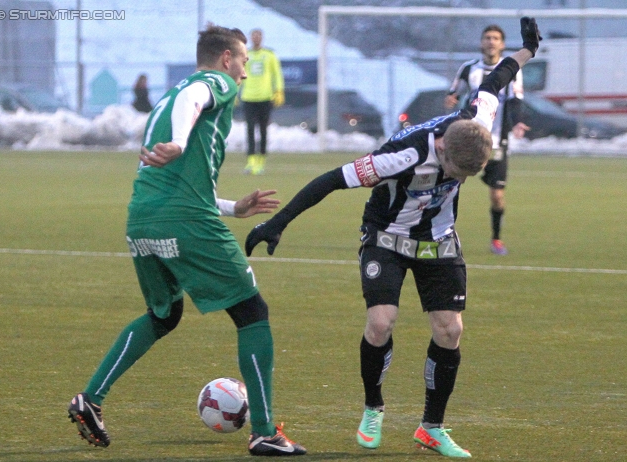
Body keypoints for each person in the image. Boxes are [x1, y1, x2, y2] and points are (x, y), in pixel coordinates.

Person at [245, 18, 541, 459]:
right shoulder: (399, 158)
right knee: (380, 322)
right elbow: (331, 179)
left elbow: (497, 80)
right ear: (442, 151)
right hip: (386, 236)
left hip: (438, 239)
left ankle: (432, 428)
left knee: (450, 330)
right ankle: (373, 408)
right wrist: (279, 222)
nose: (459, 182)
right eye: (458, 175)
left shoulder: (474, 121)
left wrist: (527, 51)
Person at [67, 24, 306, 457]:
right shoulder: (209, 84)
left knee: (164, 314)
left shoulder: (167, 96)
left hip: (143, 218)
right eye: (244, 65)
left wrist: (234, 208)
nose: (245, 75)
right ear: (227, 59)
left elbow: (180, 179)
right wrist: (179, 142)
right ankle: (265, 431)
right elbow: (193, 100)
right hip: (184, 220)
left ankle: (91, 398)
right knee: (252, 312)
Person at [445, 25, 530, 256]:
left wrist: (518, 122)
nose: (491, 42)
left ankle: (496, 240)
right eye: (487, 38)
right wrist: (451, 100)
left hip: (496, 141)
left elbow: (515, 100)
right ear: (482, 42)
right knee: (449, 185)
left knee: (497, 195)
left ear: (502, 44)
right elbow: (455, 93)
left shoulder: (511, 70)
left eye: (496, 38)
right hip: (468, 137)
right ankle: (441, 234)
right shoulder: (469, 69)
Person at [239, 28, 285, 175]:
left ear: (262, 38)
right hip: (249, 97)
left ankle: (261, 162)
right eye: (254, 36)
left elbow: (277, 74)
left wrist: (278, 91)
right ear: (250, 38)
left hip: (265, 97)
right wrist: (235, 92)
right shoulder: (246, 55)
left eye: (258, 36)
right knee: (250, 129)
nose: (256, 38)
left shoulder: (269, 55)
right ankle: (251, 161)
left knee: (264, 130)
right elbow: (239, 74)